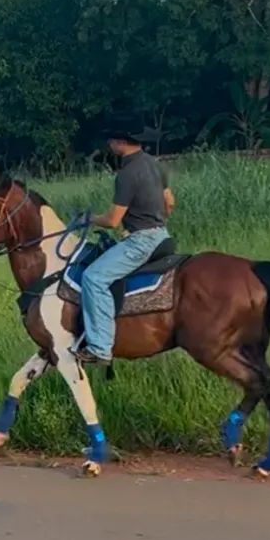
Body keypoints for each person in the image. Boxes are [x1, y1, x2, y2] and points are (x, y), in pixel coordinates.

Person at [74, 122, 175, 364]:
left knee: (93, 278)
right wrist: (154, 219)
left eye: (111, 140)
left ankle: (100, 347)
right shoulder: (154, 164)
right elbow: (170, 202)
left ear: (120, 142)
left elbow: (112, 220)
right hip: (162, 234)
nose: (109, 144)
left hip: (141, 241)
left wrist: (89, 218)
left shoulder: (127, 174)